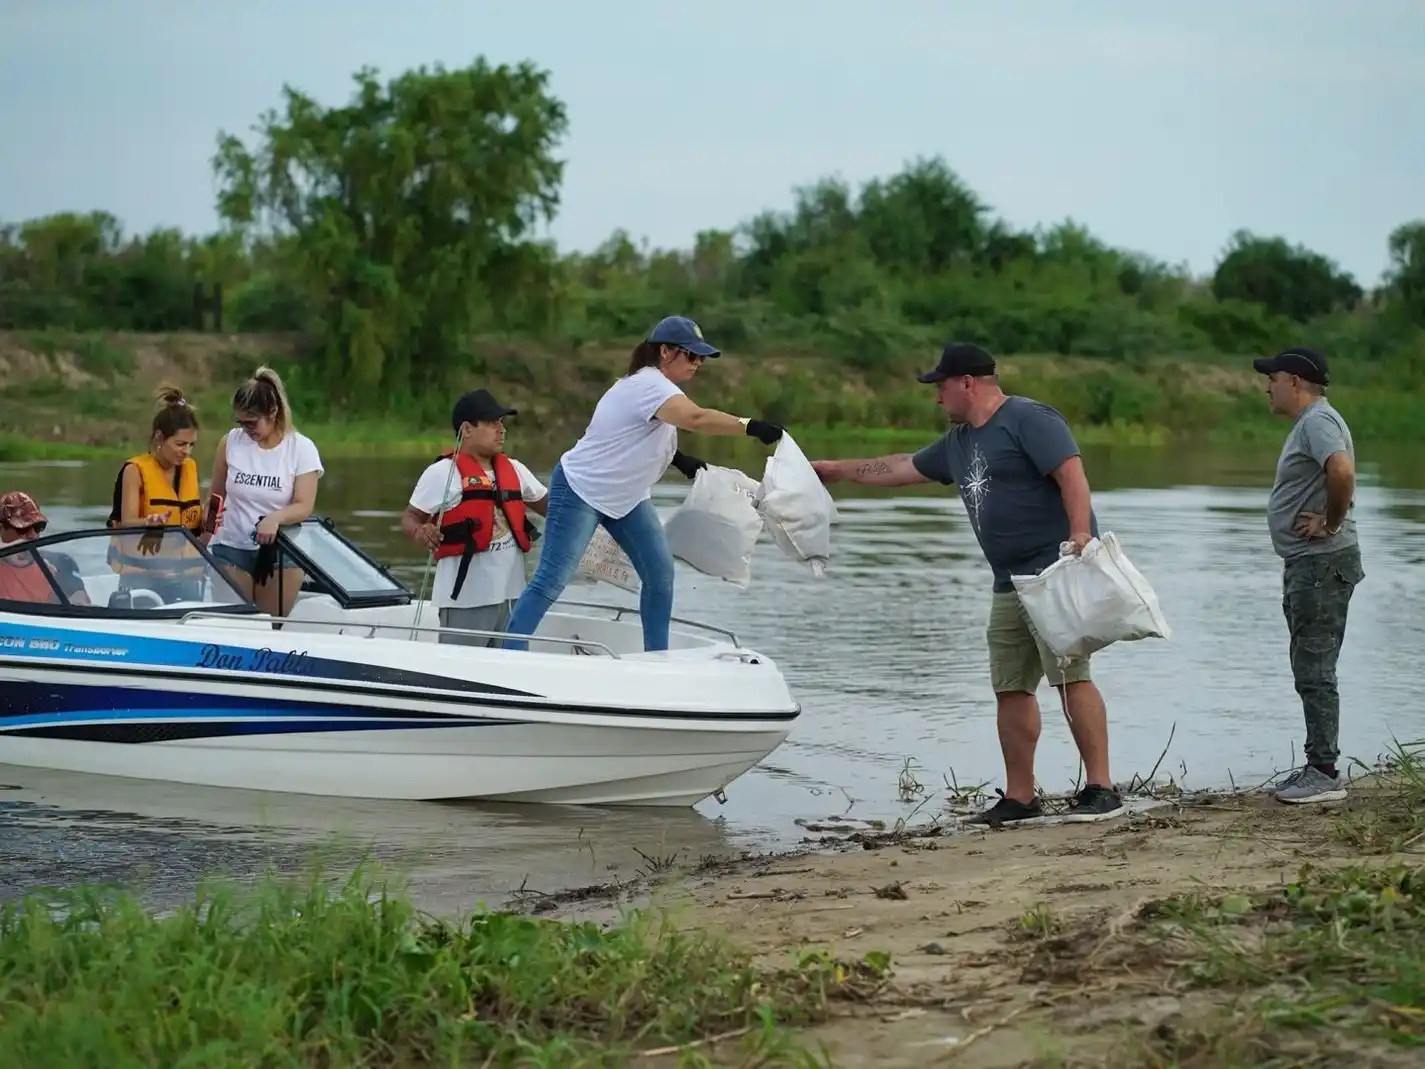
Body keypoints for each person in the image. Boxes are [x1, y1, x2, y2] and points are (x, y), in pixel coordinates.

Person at [810, 342, 1124, 825]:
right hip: (1007, 583)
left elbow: (1072, 475)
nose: (938, 399)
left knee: (1070, 677)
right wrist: (834, 471)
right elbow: (902, 466)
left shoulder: (1029, 419)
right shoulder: (958, 443)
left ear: (967, 383)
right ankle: (1021, 797)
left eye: (941, 387)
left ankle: (1101, 788)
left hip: (1052, 573)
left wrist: (1081, 532)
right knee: (1011, 687)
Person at [501, 315, 785, 653]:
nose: (698, 364)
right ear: (665, 351)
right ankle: (510, 655)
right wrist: (750, 425)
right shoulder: (648, 384)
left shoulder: (657, 389)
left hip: (628, 499)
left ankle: (656, 659)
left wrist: (682, 461)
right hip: (581, 491)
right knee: (551, 579)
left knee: (660, 575)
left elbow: (640, 432)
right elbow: (694, 418)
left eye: (702, 358)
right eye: (691, 355)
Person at [1253, 346, 1363, 805]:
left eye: (1273, 378)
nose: (1267, 386)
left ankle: (1323, 772)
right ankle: (1319, 764)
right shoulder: (1312, 423)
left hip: (1321, 563)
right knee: (1309, 665)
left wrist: (1331, 522)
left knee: (1315, 668)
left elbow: (1341, 470)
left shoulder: (1318, 421)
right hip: (1308, 564)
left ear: (1295, 382)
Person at [402, 389, 549, 646]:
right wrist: (420, 531)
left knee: (509, 675)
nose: (501, 430)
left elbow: (554, 509)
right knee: (462, 675)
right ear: (467, 429)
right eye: (493, 423)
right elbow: (411, 516)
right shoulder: (441, 473)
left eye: (502, 423)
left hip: (512, 598)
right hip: (465, 601)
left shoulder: (515, 469)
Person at [204, 366, 323, 617]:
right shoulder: (230, 443)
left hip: (282, 551)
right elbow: (215, 499)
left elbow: (304, 505)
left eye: (252, 423)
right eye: (241, 423)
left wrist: (275, 518)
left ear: (273, 412)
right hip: (231, 545)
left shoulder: (301, 448)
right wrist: (201, 541)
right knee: (236, 625)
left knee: (269, 628)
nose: (247, 430)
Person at [105, 383, 207, 603]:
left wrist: (207, 516)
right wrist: (149, 522)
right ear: (160, 438)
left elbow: (191, 520)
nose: (186, 451)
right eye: (180, 444)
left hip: (185, 576)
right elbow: (126, 522)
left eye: (191, 445)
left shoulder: (190, 468)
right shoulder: (135, 470)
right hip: (142, 577)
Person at [0, 491, 90, 605]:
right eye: (23, 528)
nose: (33, 535)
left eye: (37, 527)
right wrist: (8, 550)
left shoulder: (59, 564)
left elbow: (80, 601)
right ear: (2, 530)